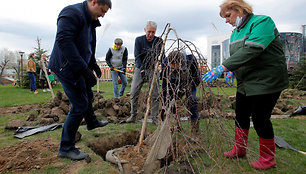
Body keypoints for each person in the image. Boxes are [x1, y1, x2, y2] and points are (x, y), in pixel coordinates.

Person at [203, 0, 288, 170]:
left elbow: (253, 49)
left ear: (240, 10)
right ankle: (239, 149)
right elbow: (240, 56)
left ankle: (268, 158)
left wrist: (222, 66)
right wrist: (230, 71)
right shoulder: (235, 34)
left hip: (266, 80)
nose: (226, 20)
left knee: (260, 118)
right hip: (246, 82)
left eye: (228, 15)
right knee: (240, 114)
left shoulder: (262, 22)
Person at [48, 0, 112, 161]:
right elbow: (65, 42)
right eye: (102, 10)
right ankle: (66, 147)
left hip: (78, 66)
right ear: (94, 2)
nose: (103, 15)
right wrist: (84, 70)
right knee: (80, 105)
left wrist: (93, 65)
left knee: (88, 95)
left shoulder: (90, 20)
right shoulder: (71, 13)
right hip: (66, 68)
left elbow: (88, 46)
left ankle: (91, 121)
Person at [126, 20, 163, 124]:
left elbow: (161, 55)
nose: (151, 34)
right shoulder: (139, 40)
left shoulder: (159, 41)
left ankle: (154, 118)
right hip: (140, 68)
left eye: (153, 32)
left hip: (153, 70)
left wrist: (159, 65)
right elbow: (137, 56)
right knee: (134, 92)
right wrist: (141, 69)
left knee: (155, 94)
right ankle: (133, 115)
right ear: (145, 30)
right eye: (149, 32)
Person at [161, 50, 201, 135]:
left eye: (174, 68)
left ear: (181, 62)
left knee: (192, 100)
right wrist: (164, 105)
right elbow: (164, 85)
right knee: (172, 104)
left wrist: (187, 88)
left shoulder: (191, 60)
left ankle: (195, 131)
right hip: (174, 85)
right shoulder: (165, 63)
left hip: (189, 83)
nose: (171, 70)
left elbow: (197, 79)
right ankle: (177, 125)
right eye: (170, 68)